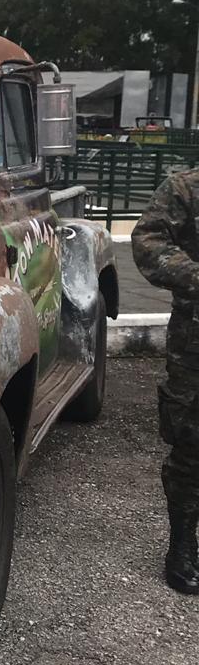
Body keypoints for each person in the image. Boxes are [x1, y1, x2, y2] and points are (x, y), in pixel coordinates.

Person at [132, 172, 199, 595]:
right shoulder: (185, 188)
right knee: (192, 445)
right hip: (196, 343)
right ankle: (182, 547)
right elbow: (149, 243)